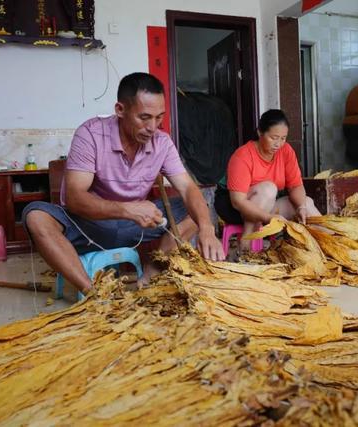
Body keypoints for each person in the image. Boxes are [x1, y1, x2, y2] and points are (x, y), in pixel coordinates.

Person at [23, 72, 224, 294]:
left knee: (197, 209)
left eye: (159, 117)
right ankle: (92, 292)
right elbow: (74, 198)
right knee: (36, 216)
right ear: (120, 110)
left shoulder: (162, 142)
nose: (153, 127)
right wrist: (128, 209)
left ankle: (153, 271)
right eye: (144, 117)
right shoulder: (90, 134)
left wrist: (207, 228)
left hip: (137, 226)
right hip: (90, 223)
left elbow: (187, 188)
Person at [214, 109, 321, 250]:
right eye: (274, 138)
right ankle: (246, 244)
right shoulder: (243, 155)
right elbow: (237, 201)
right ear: (260, 132)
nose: (278, 144)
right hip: (234, 208)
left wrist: (301, 207)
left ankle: (336, 244)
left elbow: (295, 186)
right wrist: (268, 218)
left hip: (267, 206)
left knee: (306, 203)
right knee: (268, 189)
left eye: (283, 138)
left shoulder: (286, 151)